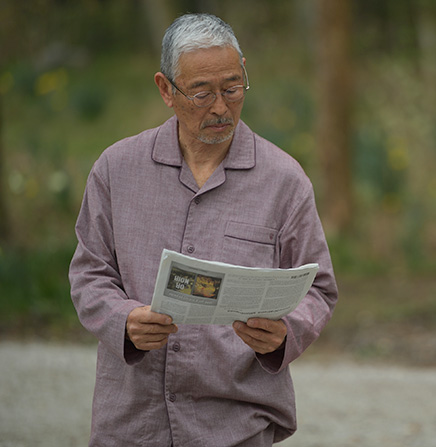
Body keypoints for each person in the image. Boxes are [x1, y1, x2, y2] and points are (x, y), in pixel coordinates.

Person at [69, 13, 338, 447]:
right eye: (201, 93)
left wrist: (286, 330)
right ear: (165, 90)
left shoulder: (284, 180)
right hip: (131, 424)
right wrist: (124, 321)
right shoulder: (115, 170)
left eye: (232, 88)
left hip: (237, 425)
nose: (219, 107)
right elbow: (88, 274)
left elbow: (319, 288)